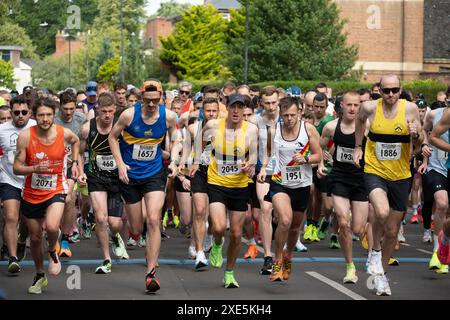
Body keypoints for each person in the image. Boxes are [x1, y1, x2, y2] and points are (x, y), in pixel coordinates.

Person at [108, 80, 180, 293]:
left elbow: (176, 138)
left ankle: (150, 273)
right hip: (131, 176)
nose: (151, 105)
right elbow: (112, 137)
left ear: (161, 98)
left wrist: (174, 161)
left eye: (155, 101)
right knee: (137, 229)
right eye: (147, 101)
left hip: (154, 174)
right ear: (141, 98)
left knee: (153, 219)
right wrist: (120, 164)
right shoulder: (129, 115)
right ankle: (134, 236)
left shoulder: (168, 117)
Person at [354, 74, 422, 296]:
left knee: (392, 231)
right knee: (380, 211)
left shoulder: (410, 109)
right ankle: (374, 252)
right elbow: (358, 121)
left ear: (400, 90)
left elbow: (421, 142)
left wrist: (417, 135)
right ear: (379, 91)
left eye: (395, 90)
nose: (391, 94)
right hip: (374, 169)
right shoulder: (370, 107)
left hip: (401, 174)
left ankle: (381, 275)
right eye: (386, 91)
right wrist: (358, 147)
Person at [13, 97, 82, 294]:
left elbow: (76, 142)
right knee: (34, 238)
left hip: (56, 189)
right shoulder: (26, 137)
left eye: (49, 115)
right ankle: (39, 275)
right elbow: (17, 168)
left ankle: (52, 249)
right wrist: (34, 167)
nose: (45, 119)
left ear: (55, 114)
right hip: (31, 193)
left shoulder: (64, 133)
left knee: (52, 226)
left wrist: (75, 164)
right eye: (41, 115)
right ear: (35, 116)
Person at [190, 93, 258, 288]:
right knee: (219, 227)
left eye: (241, 107)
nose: (236, 111)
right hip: (217, 182)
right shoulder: (213, 126)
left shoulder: (251, 129)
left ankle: (229, 272)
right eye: (233, 107)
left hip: (239, 185)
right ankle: (217, 244)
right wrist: (196, 161)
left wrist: (250, 165)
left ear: (245, 109)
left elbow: (253, 154)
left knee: (236, 234)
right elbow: (199, 141)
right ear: (226, 108)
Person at [258, 96, 321, 282]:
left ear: (300, 112)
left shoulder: (309, 130)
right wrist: (264, 169)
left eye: (293, 115)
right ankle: (277, 260)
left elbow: (318, 156)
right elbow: (269, 153)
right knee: (285, 220)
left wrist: (307, 159)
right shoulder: (274, 130)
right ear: (281, 114)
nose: (289, 119)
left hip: (301, 185)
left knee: (294, 229)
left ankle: (288, 256)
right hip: (280, 182)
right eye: (285, 115)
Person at [319, 91, 370, 283]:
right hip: (339, 178)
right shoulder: (332, 127)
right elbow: (319, 145)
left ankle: (361, 228)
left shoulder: (367, 127)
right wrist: (323, 162)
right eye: (349, 105)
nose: (352, 109)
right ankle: (350, 267)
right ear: (341, 106)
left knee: (357, 229)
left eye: (356, 105)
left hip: (360, 179)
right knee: (343, 222)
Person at [78, 93, 128, 274]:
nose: (107, 115)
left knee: (115, 224)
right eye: (104, 111)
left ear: (115, 109)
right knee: (100, 218)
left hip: (116, 179)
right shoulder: (87, 128)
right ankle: (106, 259)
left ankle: (115, 236)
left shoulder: (121, 127)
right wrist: (81, 171)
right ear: (97, 109)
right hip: (96, 177)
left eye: (111, 111)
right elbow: (79, 151)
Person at [180, 97, 220, 269]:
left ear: (218, 111)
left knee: (213, 217)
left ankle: (209, 235)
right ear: (202, 111)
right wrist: (182, 164)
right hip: (200, 172)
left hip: (218, 174)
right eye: (208, 111)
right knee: (199, 211)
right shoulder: (194, 127)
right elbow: (187, 147)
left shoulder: (224, 128)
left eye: (214, 111)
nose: (211, 114)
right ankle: (200, 252)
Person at [0, 95, 36, 273]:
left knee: (27, 220)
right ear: (11, 112)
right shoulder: (2, 130)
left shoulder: (37, 127)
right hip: (9, 179)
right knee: (11, 217)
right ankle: (13, 258)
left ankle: (21, 241)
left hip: (31, 180)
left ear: (29, 112)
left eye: (24, 112)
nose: (20, 115)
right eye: (16, 113)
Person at [54, 90, 87, 257]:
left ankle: (65, 239)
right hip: (53, 166)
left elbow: (81, 149)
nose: (68, 112)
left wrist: (79, 168)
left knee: (69, 199)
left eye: (71, 109)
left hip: (72, 165)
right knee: (54, 202)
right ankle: (55, 232)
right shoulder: (52, 120)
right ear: (60, 106)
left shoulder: (81, 120)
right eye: (65, 109)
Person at [421, 103, 449, 274]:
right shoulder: (437, 115)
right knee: (441, 204)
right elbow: (429, 134)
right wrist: (424, 145)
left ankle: (445, 243)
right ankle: (436, 253)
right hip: (438, 166)